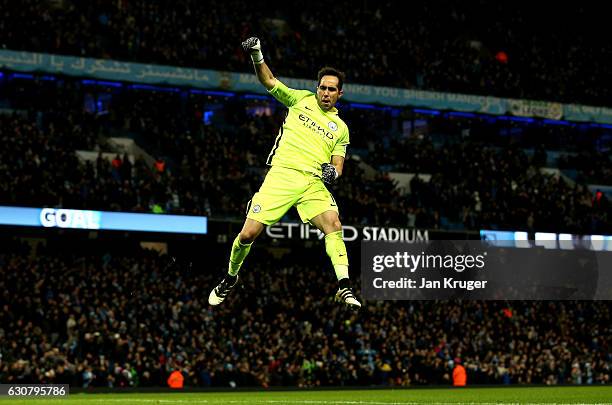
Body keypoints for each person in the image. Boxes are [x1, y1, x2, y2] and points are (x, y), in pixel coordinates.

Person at [208, 37, 360, 308]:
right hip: (282, 175)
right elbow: (268, 81)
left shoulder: (341, 129)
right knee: (247, 235)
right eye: (322, 87)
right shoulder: (299, 99)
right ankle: (230, 277)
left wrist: (333, 175)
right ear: (317, 88)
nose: (325, 93)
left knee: (334, 225)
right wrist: (257, 54)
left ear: (340, 94)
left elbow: (338, 165)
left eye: (331, 89)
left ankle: (345, 287)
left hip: (313, 182)